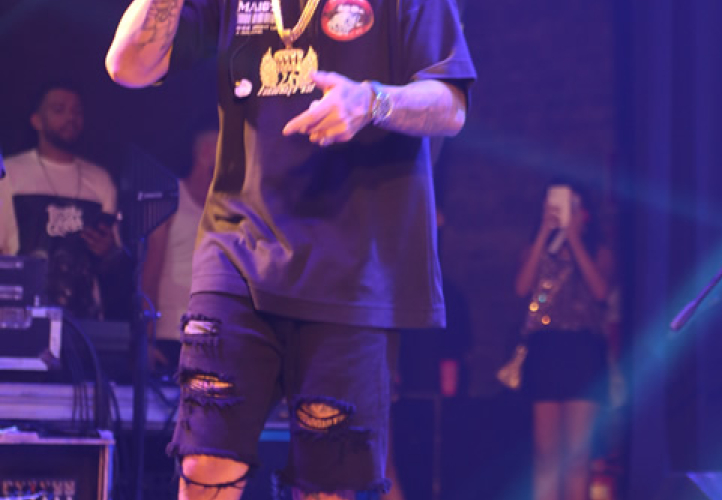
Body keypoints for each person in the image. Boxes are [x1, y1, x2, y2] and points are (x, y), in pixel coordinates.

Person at [105, 1, 476, 500]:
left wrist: (372, 101)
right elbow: (128, 66)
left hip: (354, 264)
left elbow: (451, 104)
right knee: (205, 459)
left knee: (330, 481)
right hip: (237, 248)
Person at [513, 179, 614, 500]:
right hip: (545, 349)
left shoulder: (599, 251)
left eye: (573, 205)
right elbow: (521, 288)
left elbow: (600, 291)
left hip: (583, 350)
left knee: (577, 455)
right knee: (546, 455)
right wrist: (545, 232)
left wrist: (574, 239)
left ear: (584, 212)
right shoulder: (536, 248)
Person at [0, 82, 132, 320]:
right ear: (36, 121)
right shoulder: (10, 172)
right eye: (59, 109)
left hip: (84, 319)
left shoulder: (100, 180)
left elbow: (115, 259)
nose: (71, 117)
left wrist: (108, 251)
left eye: (77, 111)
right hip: (21, 314)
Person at [142, 126, 218, 373]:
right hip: (171, 336)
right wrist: (145, 339)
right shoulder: (170, 199)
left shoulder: (229, 207)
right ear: (206, 152)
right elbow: (150, 271)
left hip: (215, 338)